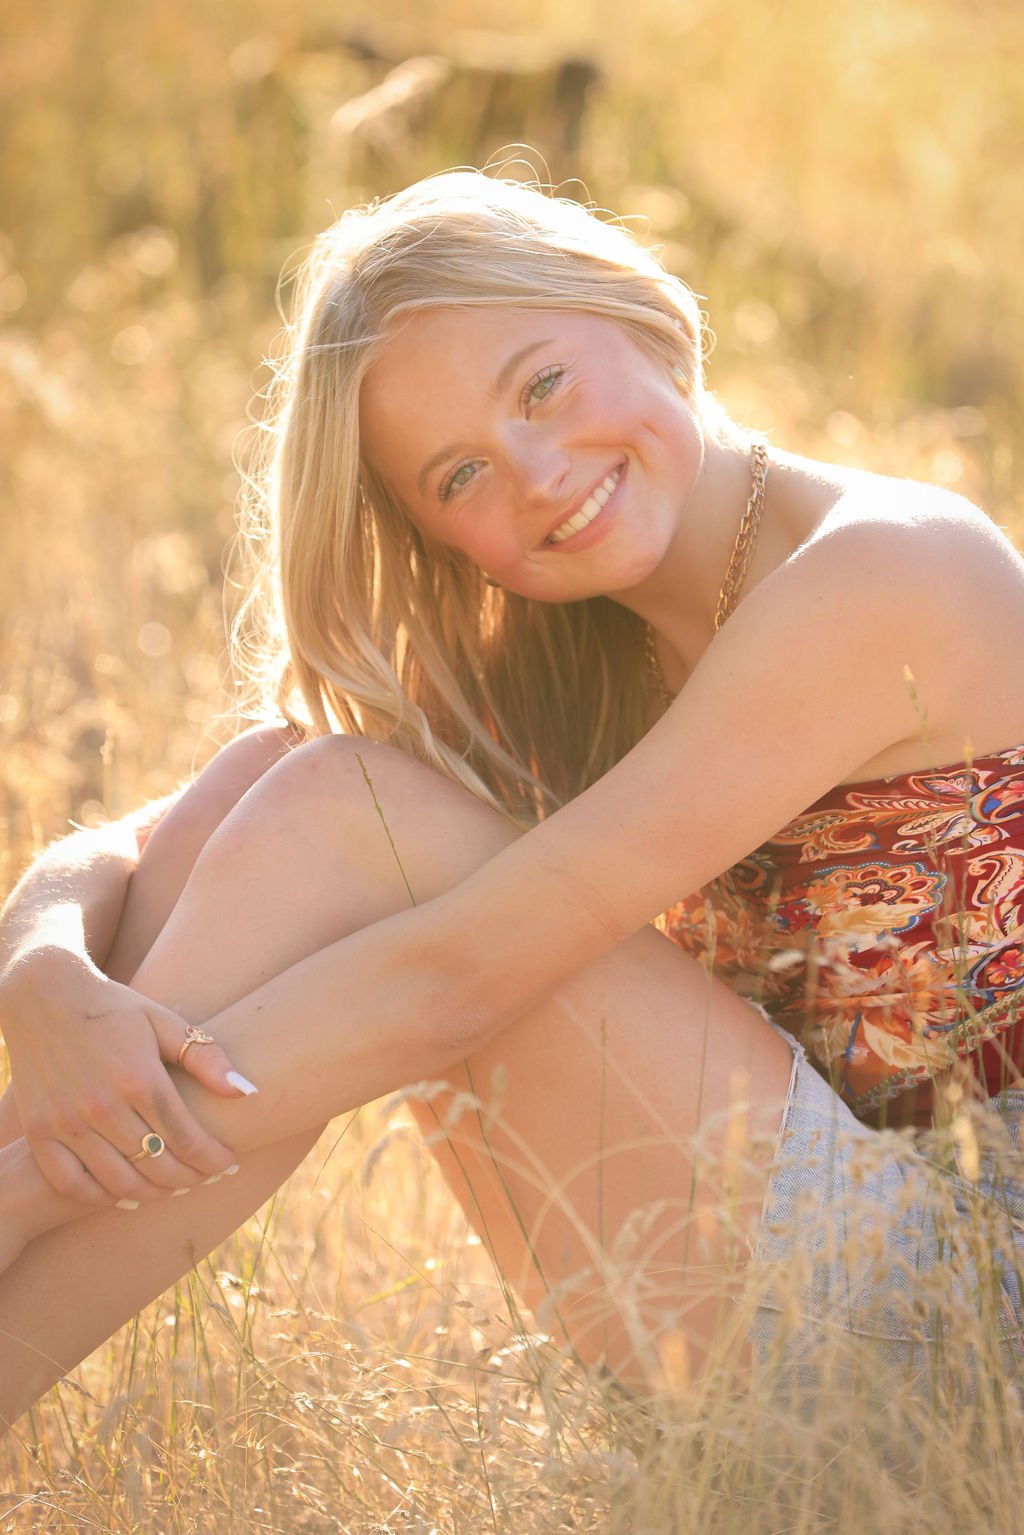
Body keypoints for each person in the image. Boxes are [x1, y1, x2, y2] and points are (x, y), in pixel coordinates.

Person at [1, 170, 1023, 1429]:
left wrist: (33, 1181)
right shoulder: (584, 657)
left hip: (973, 1317)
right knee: (301, 789)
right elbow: (164, 831)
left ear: (637, 311)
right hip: (801, 1280)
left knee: (345, 808)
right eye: (459, 476)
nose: (536, 476)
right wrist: (41, 965)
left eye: (541, 385)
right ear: (440, 539)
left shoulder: (883, 572)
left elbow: (451, 982)